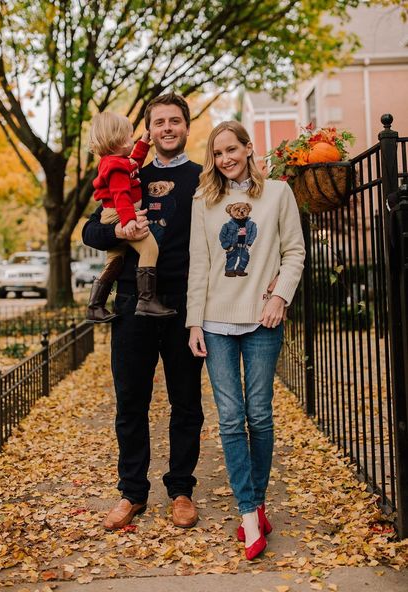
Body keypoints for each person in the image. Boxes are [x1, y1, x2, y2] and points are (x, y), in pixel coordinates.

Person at [82, 93, 204, 530]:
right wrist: (120, 227)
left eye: (175, 121)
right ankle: (132, 493)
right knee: (130, 402)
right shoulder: (129, 171)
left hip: (184, 304)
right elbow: (90, 231)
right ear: (148, 131)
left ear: (186, 127)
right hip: (133, 303)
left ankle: (182, 489)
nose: (167, 128)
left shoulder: (203, 178)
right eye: (159, 122)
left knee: (185, 402)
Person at [186, 121, 305, 560]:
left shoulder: (277, 194)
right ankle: (250, 511)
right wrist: (194, 323)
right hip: (216, 323)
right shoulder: (204, 200)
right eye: (217, 154)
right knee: (232, 419)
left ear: (248, 148)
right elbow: (199, 266)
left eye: (231, 150)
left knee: (260, 414)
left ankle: (254, 503)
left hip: (262, 320)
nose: (225, 159)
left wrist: (280, 296)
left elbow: (294, 252)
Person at [86, 112, 176, 321]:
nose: (132, 140)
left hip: (116, 215)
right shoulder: (115, 167)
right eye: (128, 137)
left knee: (115, 261)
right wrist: (129, 222)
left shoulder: (120, 162)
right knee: (149, 248)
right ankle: (146, 300)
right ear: (115, 141)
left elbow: (135, 163)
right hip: (120, 215)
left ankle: (95, 306)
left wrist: (143, 144)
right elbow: (121, 196)